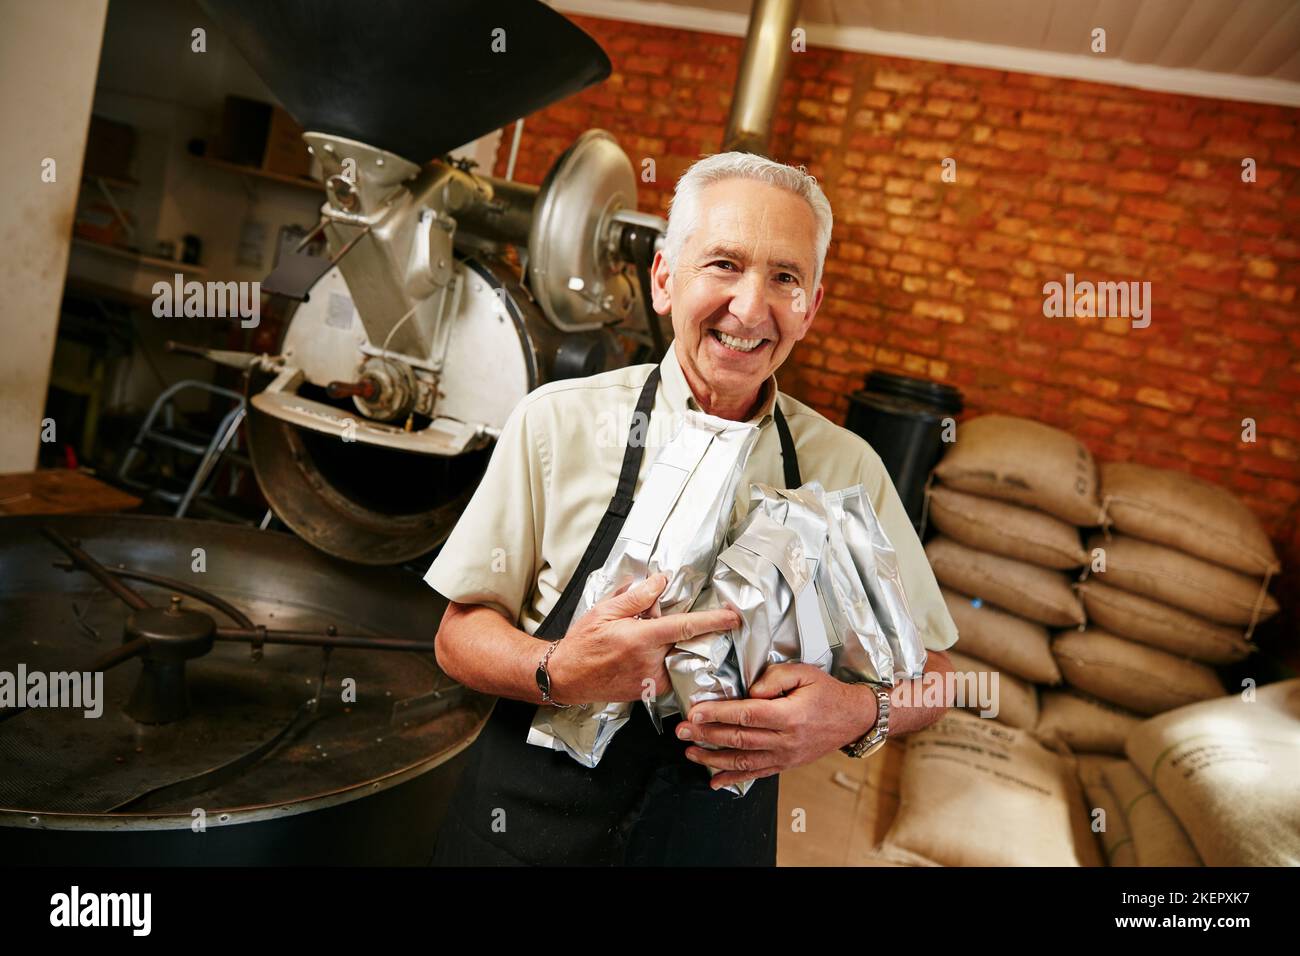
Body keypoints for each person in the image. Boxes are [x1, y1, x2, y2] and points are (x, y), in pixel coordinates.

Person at [424, 151, 958, 866]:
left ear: (811, 307)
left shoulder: (846, 468)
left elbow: (941, 674)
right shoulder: (556, 423)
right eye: (724, 265)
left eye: (785, 278)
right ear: (665, 279)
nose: (750, 308)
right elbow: (457, 636)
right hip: (521, 828)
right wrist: (558, 668)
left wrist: (860, 712)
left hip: (712, 839)